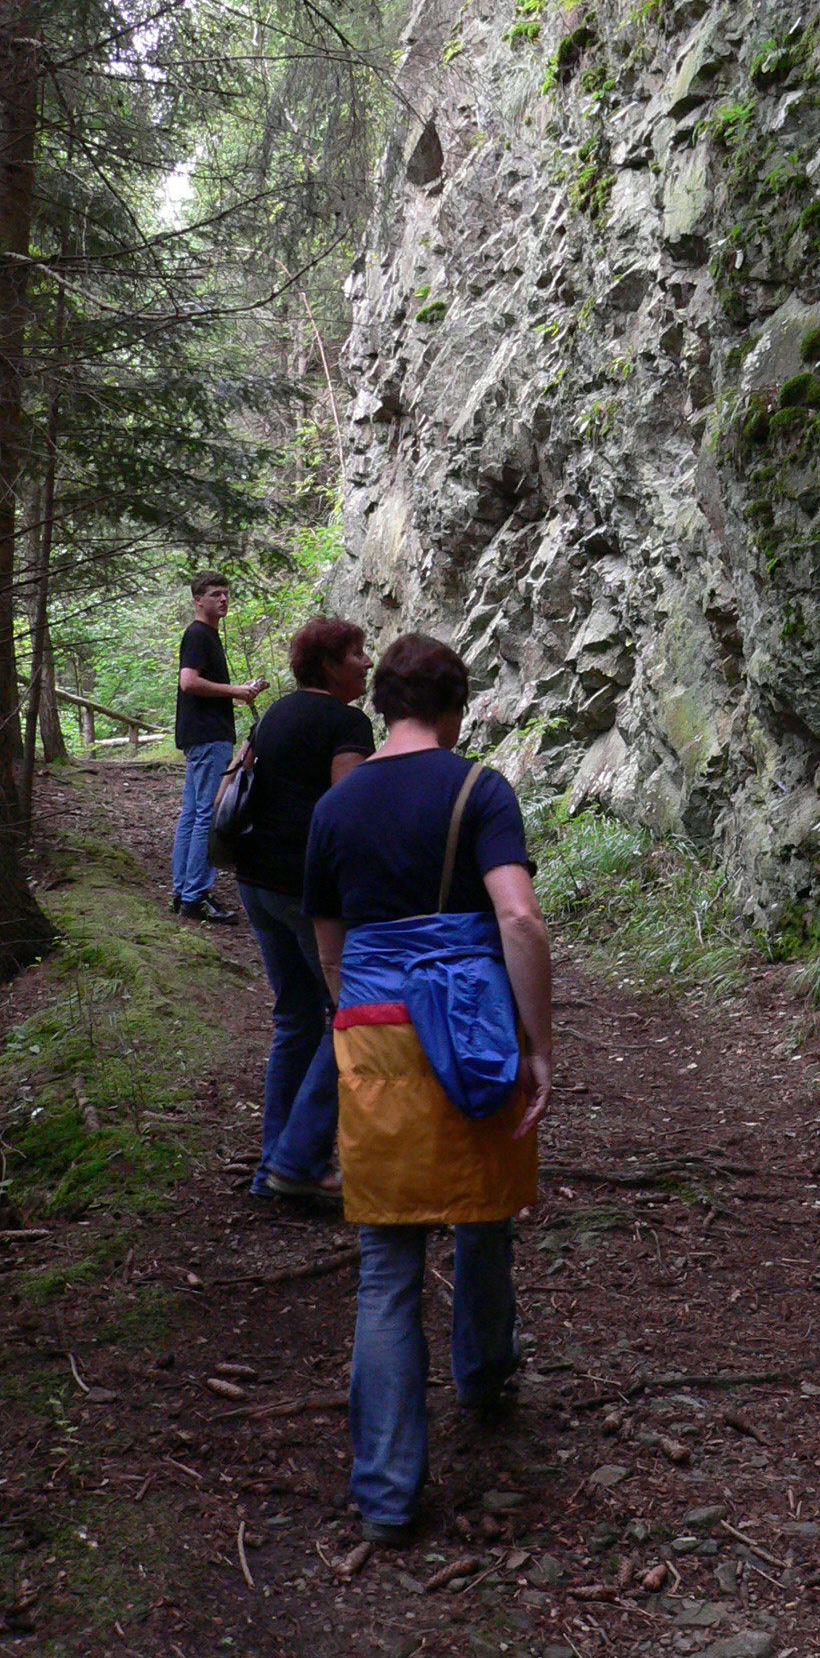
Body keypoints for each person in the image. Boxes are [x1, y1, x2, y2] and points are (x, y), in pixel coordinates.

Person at [304, 633, 554, 1546]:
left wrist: (357, 1004)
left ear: (382, 706)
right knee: (482, 1219)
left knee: (386, 1267)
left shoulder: (339, 805)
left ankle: (384, 1493)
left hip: (373, 1033)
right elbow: (518, 918)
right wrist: (540, 1044)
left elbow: (326, 938)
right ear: (457, 708)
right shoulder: (478, 789)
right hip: (472, 1032)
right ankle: (486, 1381)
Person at [233, 618, 375, 1203]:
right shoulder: (347, 722)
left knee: (295, 1017)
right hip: (308, 894)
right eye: (357, 653)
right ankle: (298, 1158)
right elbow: (349, 813)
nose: (367, 663)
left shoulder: (274, 715)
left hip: (255, 882)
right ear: (331, 664)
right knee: (354, 1015)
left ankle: (274, 1167)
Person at [171, 571, 267, 923]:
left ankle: (183, 891)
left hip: (202, 734)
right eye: (215, 594)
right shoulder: (198, 634)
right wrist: (237, 691)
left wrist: (239, 689)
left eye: (226, 593)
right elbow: (189, 682)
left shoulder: (207, 635)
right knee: (204, 815)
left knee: (192, 813)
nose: (223, 599)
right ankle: (195, 896)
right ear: (198, 600)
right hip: (208, 735)